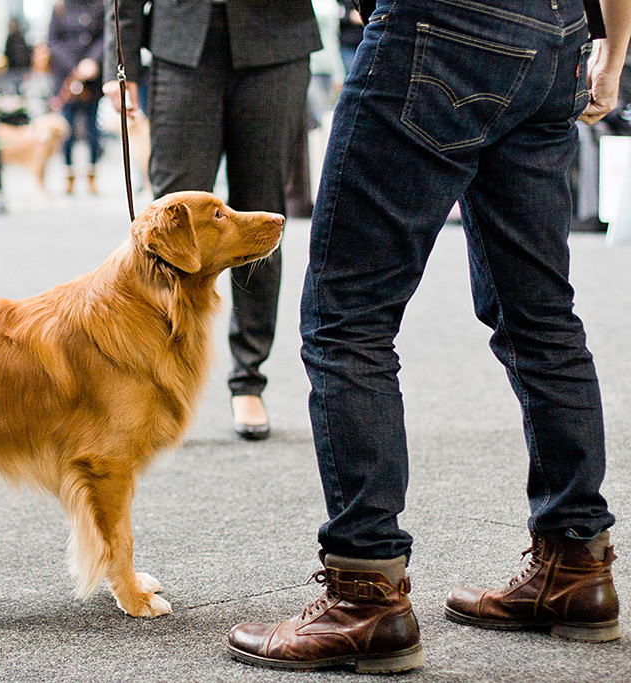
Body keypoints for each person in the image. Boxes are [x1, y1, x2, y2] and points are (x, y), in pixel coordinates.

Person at [227, 0, 630, 673]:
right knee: (540, 315)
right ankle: (575, 565)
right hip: (555, 30)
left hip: (437, 26)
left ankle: (366, 597)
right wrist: (613, 51)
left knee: (347, 316)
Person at [105, 0, 321, 440]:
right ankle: (147, 376)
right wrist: (118, 60)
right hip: (182, 43)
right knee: (168, 225)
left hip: (277, 41)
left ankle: (248, 379)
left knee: (258, 217)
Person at [48, 0, 104, 196]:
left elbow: (104, 37)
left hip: (92, 78)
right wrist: (75, 68)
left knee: (92, 128)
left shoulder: (98, 5)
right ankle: (68, 175)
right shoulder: (59, 7)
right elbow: (53, 42)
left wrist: (91, 61)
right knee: (66, 130)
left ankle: (92, 175)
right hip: (66, 79)